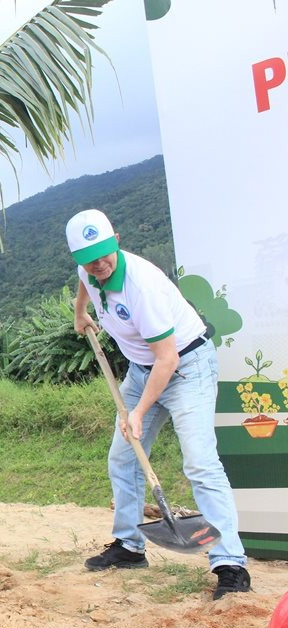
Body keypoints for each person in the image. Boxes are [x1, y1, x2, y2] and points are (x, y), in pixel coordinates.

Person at [67, 209, 251, 600]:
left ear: (116, 240)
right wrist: (81, 312)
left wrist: (137, 412)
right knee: (123, 458)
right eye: (89, 259)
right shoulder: (89, 268)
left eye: (103, 254)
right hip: (141, 370)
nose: (99, 264)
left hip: (186, 368)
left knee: (200, 462)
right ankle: (129, 547)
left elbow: (168, 359)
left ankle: (231, 564)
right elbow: (84, 281)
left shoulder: (142, 286)